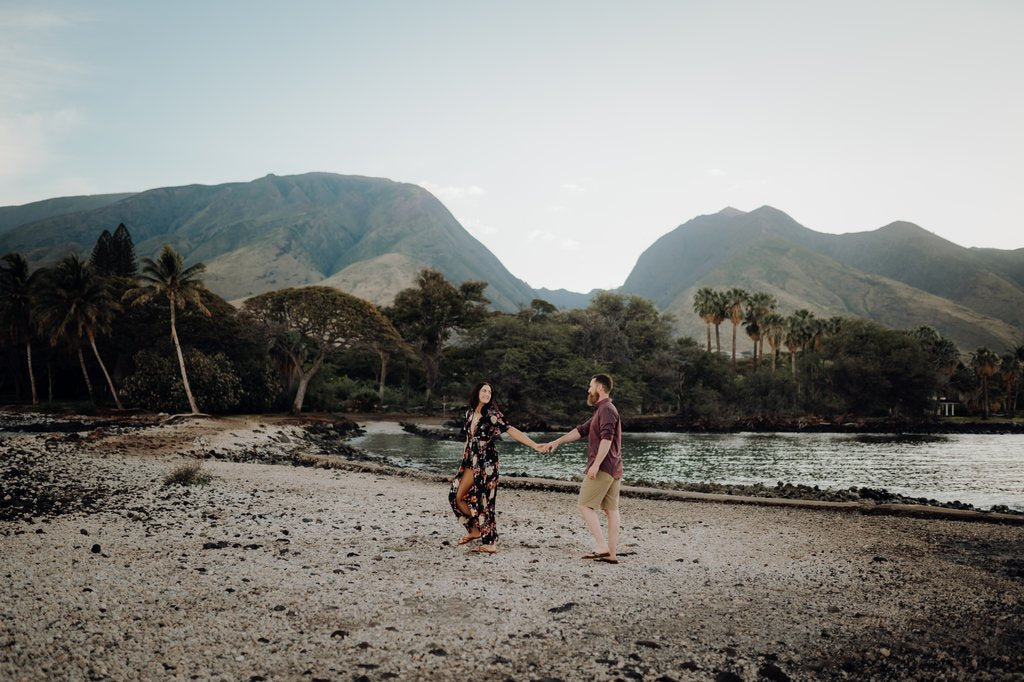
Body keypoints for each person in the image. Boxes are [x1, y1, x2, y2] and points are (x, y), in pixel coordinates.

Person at [449, 382, 544, 554]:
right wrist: (464, 460)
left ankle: (490, 542)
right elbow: (468, 439)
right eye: (484, 390)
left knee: (484, 500)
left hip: (487, 461)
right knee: (456, 496)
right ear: (477, 392)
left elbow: (510, 429)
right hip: (471, 460)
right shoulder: (470, 412)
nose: (486, 394)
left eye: (489, 392)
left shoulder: (492, 415)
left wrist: (534, 445)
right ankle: (475, 530)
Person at [541, 374, 622, 564]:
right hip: (614, 466)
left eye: (590, 386)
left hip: (603, 466)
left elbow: (607, 439)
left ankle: (602, 546)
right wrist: (557, 441)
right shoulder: (601, 410)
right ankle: (611, 553)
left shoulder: (607, 410)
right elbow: (580, 431)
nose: (588, 390)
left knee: (584, 505)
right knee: (611, 510)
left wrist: (595, 465)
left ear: (600, 388)